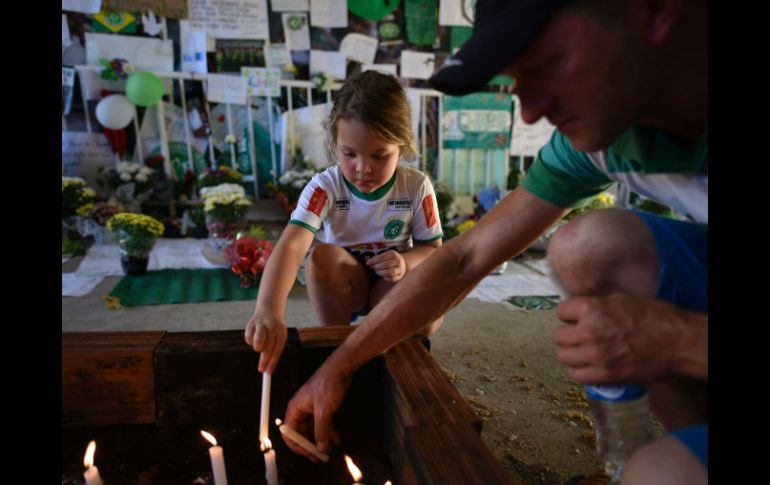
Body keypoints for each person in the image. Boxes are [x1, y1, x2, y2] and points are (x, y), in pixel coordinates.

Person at [281, 0, 708, 483]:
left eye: (547, 65)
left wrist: (680, 339)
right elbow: (465, 260)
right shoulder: (606, 139)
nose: (529, 112)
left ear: (655, 11)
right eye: (516, 81)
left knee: (660, 474)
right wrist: (338, 366)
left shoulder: (414, 185)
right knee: (589, 248)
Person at [245, 70, 445, 375]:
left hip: (387, 287)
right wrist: (268, 310)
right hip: (343, 288)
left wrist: (406, 263)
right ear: (335, 142)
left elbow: (433, 249)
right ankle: (334, 345)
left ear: (402, 147)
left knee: (428, 312)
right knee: (321, 257)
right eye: (349, 154)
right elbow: (292, 244)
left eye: (380, 155)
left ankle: (396, 348)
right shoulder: (324, 187)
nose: (363, 168)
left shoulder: (416, 186)